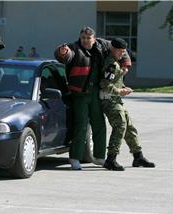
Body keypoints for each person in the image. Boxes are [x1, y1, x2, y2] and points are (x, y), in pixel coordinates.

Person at [54, 26, 132, 170]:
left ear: (94, 38)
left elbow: (121, 48)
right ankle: (75, 158)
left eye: (88, 38)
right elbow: (65, 56)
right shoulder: (74, 47)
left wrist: (125, 64)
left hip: (96, 92)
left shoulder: (103, 45)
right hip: (80, 94)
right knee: (81, 126)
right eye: (83, 38)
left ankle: (99, 157)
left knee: (99, 124)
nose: (85, 40)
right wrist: (62, 52)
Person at [100, 38, 155, 171]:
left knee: (129, 126)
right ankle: (111, 159)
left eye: (123, 52)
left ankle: (138, 156)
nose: (122, 54)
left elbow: (114, 82)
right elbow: (105, 85)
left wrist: (122, 87)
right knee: (120, 125)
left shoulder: (116, 62)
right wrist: (120, 91)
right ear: (112, 48)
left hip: (116, 99)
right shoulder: (111, 64)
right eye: (119, 51)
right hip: (109, 100)